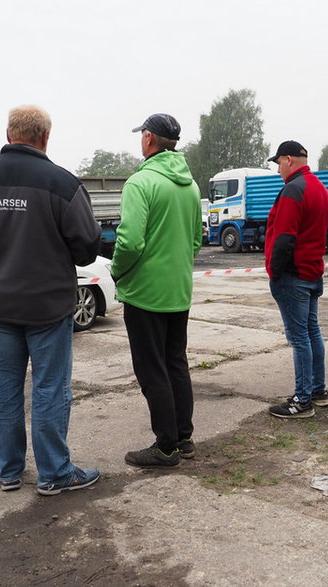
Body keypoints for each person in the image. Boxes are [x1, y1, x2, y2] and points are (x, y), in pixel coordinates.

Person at [0, 105, 103, 495]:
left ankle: (9, 470)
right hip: (49, 308)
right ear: (45, 137)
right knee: (50, 387)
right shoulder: (62, 183)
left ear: (8, 133)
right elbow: (86, 247)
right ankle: (54, 472)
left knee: (4, 386)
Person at [112, 113, 203, 468]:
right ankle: (184, 438)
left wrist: (118, 271)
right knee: (176, 364)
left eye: (142, 136)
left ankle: (165, 447)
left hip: (145, 293)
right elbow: (196, 240)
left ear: (149, 139)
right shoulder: (191, 186)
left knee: (152, 370)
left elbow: (131, 241)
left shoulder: (141, 182)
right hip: (178, 291)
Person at [264, 141, 328, 419]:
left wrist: (275, 272)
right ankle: (318, 391)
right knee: (311, 332)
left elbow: (284, 237)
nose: (278, 169)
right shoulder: (319, 187)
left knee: (300, 337)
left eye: (278, 162)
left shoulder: (293, 189)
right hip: (312, 270)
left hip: (294, 275)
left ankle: (302, 400)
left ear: (289, 159)